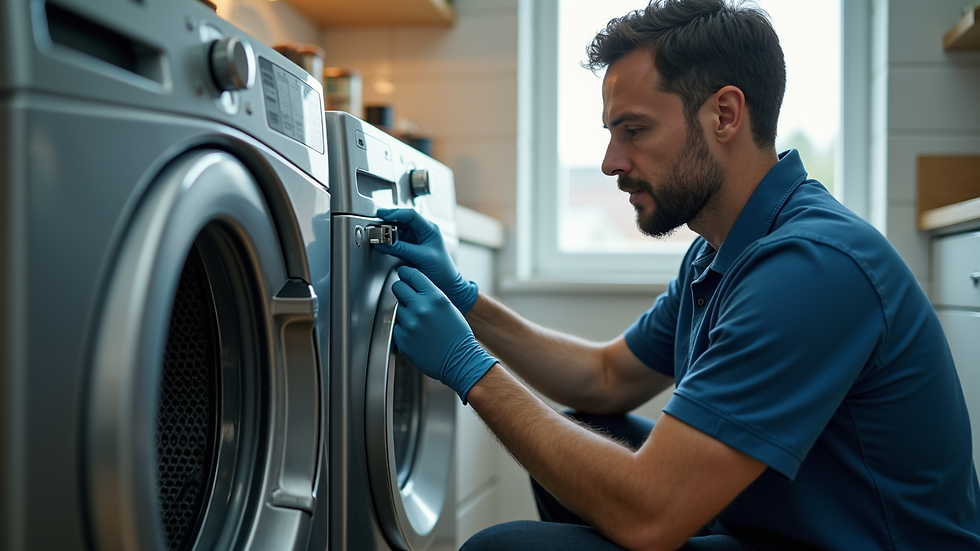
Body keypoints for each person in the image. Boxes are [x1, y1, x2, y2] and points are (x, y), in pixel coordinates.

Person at [375, 0, 980, 549]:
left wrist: (467, 368)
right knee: (585, 429)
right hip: (783, 525)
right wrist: (467, 302)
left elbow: (650, 513)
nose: (612, 163)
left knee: (499, 550)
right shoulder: (720, 249)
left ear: (724, 114)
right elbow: (605, 376)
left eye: (634, 130)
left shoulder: (811, 268)